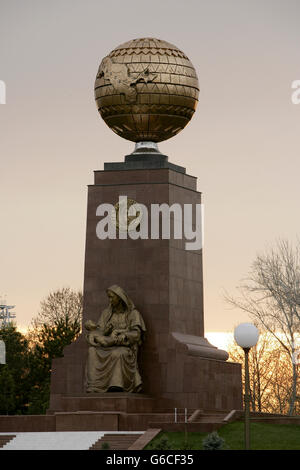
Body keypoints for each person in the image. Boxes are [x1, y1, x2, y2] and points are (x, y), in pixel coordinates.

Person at [85, 285, 146, 393]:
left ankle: (116, 385)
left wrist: (124, 335)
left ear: (120, 298)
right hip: (107, 346)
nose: (110, 300)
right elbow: (99, 330)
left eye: (112, 297)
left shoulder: (133, 314)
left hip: (124, 347)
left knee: (118, 353)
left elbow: (136, 334)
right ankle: (94, 386)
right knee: (92, 351)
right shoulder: (106, 314)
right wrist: (100, 333)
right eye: (109, 297)